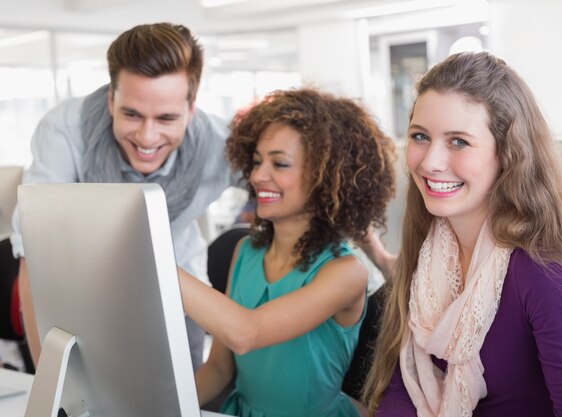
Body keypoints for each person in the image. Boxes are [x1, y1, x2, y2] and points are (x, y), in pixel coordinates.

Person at [362, 52, 562, 417]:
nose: (429, 161)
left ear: (508, 154)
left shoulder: (541, 271)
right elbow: (401, 393)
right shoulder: (431, 249)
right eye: (420, 137)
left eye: (458, 142)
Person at [10, 22, 236, 370]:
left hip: (179, 299)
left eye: (166, 118)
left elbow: (290, 186)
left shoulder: (219, 144)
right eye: (132, 114)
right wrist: (49, 382)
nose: (147, 138)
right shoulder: (65, 131)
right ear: (111, 99)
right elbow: (35, 256)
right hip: (85, 300)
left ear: (191, 109)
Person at [177, 87, 396, 416]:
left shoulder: (344, 272)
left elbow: (246, 333)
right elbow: (220, 369)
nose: (257, 176)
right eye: (256, 162)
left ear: (325, 176)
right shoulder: (246, 251)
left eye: (279, 164)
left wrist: (157, 264)